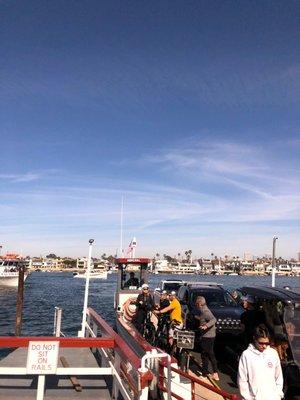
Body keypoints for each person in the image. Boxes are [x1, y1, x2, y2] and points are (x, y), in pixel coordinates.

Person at [238, 324, 284, 400]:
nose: (264, 346)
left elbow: (279, 376)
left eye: (267, 343)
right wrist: (247, 398)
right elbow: (242, 380)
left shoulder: (273, 353)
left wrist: (278, 394)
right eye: (261, 343)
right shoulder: (246, 355)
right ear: (254, 339)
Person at [194, 296, 219, 381]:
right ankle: (214, 372)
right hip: (210, 336)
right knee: (210, 353)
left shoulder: (205, 311)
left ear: (200, 304)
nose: (196, 306)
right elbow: (205, 318)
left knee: (205, 355)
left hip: (207, 336)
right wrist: (198, 318)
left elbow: (214, 319)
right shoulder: (203, 311)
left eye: (197, 304)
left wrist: (205, 326)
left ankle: (205, 374)